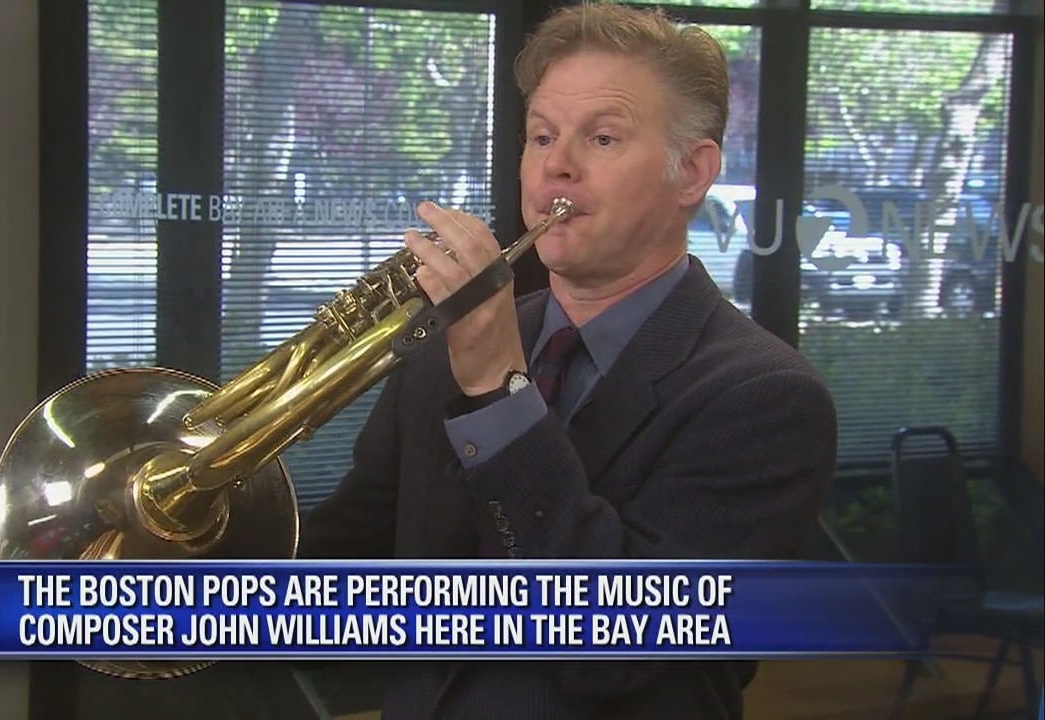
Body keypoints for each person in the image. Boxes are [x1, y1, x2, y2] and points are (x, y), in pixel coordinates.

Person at [298, 4, 838, 719]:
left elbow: (618, 650)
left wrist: (498, 391)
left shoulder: (768, 398)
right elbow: (343, 575)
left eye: (603, 137)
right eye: (543, 136)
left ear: (692, 173)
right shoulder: (440, 354)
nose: (557, 164)